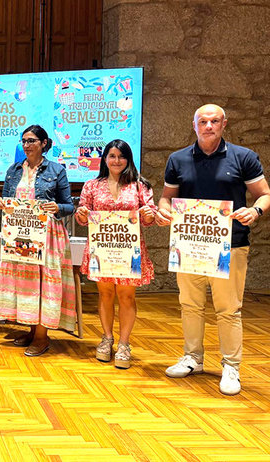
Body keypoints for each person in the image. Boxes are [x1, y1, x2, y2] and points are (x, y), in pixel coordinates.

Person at [155, 104, 270, 395]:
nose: (208, 126)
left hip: (230, 246)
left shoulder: (243, 157)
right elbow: (167, 198)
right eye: (203, 121)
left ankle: (231, 367)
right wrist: (164, 211)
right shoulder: (177, 159)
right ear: (194, 125)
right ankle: (193, 357)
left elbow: (264, 195)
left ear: (224, 124)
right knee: (189, 305)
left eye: (214, 121)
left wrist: (255, 212)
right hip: (189, 244)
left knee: (228, 309)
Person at [0, 124, 76, 356]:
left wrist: (57, 206)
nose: (27, 145)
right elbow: (7, 200)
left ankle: (42, 337)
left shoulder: (57, 170)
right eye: (24, 141)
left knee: (44, 284)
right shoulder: (13, 170)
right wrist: (0, 203)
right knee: (26, 284)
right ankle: (31, 330)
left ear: (44, 144)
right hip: (20, 236)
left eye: (31, 141)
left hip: (47, 238)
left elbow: (69, 205)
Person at [74, 139, 156, 369]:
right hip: (102, 249)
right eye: (112, 155)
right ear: (105, 159)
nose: (116, 160)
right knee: (105, 294)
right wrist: (81, 213)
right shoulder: (91, 185)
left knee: (127, 296)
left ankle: (124, 344)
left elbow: (150, 218)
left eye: (121, 156)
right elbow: (83, 216)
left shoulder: (141, 185)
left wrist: (148, 213)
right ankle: (106, 338)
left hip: (129, 251)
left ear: (128, 159)